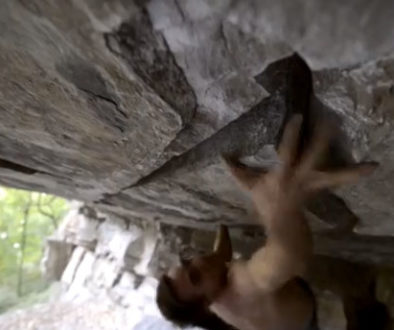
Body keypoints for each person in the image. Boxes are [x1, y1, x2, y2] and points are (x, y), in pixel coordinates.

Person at [156, 115, 378, 330]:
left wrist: (223, 223)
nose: (198, 261)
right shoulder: (245, 285)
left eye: (187, 263)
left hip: (288, 304)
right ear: (206, 304)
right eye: (195, 276)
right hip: (306, 321)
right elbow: (288, 255)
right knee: (359, 315)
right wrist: (281, 208)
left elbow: (218, 260)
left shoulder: (212, 293)